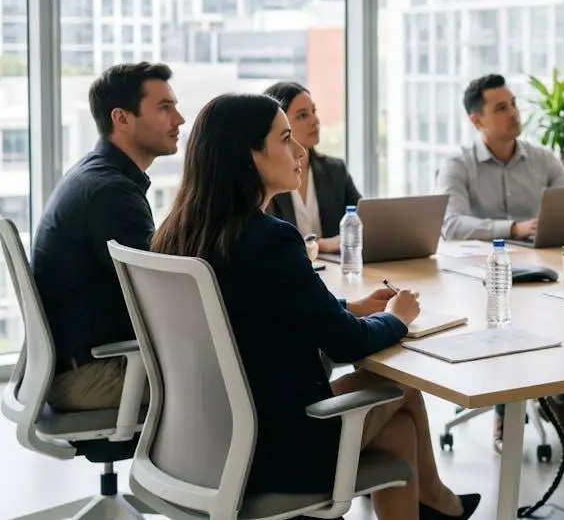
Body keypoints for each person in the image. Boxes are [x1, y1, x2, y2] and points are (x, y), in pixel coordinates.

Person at [149, 93, 481, 520]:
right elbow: (346, 344)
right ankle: (440, 503)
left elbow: (260, 309)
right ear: (250, 155)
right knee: (401, 388)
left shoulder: (178, 232)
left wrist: (349, 306)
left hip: (203, 442)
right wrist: (396, 318)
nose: (301, 151)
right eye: (286, 138)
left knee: (398, 430)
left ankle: (436, 503)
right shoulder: (272, 239)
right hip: (276, 451)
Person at [435, 73, 564, 453]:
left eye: (514, 104)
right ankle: (505, 412)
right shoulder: (459, 163)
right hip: (483, 278)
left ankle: (563, 399)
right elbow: (450, 224)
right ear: (477, 119)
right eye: (501, 108)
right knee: (503, 325)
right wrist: (512, 228)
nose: (514, 113)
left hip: (542, 270)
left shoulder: (542, 159)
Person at [31, 62, 184, 411]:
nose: (179, 119)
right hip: (90, 375)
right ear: (121, 118)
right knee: (238, 378)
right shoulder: (110, 193)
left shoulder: (97, 176)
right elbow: (163, 297)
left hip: (77, 364)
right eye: (165, 108)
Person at [262, 81, 361, 255]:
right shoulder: (269, 177)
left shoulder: (336, 170)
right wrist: (319, 245)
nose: (315, 121)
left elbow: (361, 219)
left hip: (334, 267)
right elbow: (270, 242)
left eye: (314, 111)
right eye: (302, 115)